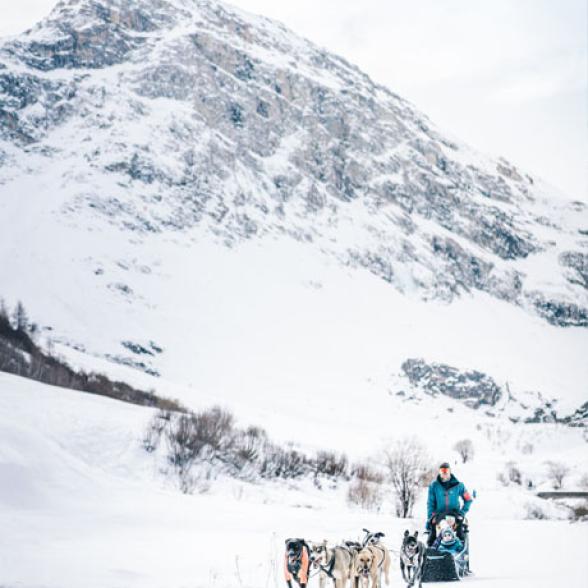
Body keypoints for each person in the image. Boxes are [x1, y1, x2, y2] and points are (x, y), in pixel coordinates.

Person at [426, 462, 473, 546]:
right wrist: (431, 517)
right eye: (442, 471)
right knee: (432, 536)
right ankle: (431, 552)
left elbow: (468, 499)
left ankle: (461, 551)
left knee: (460, 533)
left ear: (450, 472)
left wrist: (462, 512)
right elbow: (430, 503)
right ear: (439, 472)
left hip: (455, 514)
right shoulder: (434, 486)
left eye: (446, 471)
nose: (444, 473)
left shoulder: (459, 485)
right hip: (439, 515)